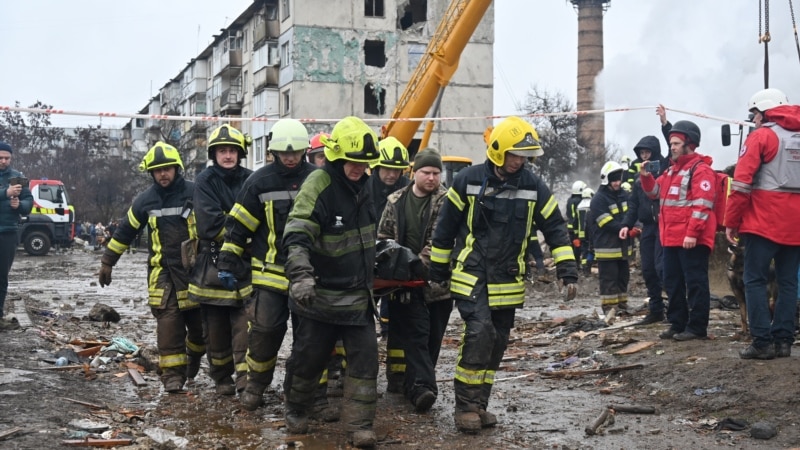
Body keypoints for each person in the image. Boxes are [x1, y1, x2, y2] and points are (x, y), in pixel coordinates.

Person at [429, 116, 578, 433]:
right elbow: (444, 230)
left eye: (525, 156)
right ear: (498, 151)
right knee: (480, 332)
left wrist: (568, 272)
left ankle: (480, 404)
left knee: (497, 340)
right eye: (515, 155)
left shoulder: (533, 185)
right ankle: (465, 407)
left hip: (508, 278)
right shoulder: (467, 180)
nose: (519, 161)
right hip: (473, 273)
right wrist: (438, 271)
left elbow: (555, 227)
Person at [281, 116, 381, 448]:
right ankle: (296, 407)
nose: (358, 167)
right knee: (309, 359)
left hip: (357, 296)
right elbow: (296, 235)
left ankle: (359, 426)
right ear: (337, 157)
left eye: (364, 162)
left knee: (366, 361)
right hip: (319, 295)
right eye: (353, 161)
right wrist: (301, 276)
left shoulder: (367, 187)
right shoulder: (318, 184)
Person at [215, 119, 318, 410]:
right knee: (264, 333)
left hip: (307, 276)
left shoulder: (317, 179)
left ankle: (303, 394)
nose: (289, 158)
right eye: (284, 153)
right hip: (270, 274)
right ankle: (255, 388)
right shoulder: (259, 181)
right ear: (272, 151)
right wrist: (227, 261)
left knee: (310, 338)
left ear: (304, 151)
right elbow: (239, 226)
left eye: (295, 152)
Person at [98, 142, 204, 392]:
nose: (163, 174)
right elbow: (125, 231)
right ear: (151, 173)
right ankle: (172, 377)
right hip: (162, 273)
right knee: (168, 325)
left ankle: (194, 355)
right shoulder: (145, 201)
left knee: (200, 329)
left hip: (194, 272)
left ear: (177, 168)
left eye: (167, 169)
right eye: (157, 170)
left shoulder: (196, 192)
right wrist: (107, 262)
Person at [726, 88, 800, 359]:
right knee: (788, 281)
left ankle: (761, 342)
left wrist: (731, 222)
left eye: (754, 114)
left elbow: (742, 184)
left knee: (754, 279)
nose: (753, 120)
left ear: (763, 112)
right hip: (796, 225)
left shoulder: (762, 137)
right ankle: (783, 342)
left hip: (763, 222)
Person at [377, 147, 452, 413]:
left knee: (431, 338)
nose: (432, 178)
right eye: (426, 172)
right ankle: (414, 386)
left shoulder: (447, 201)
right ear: (414, 172)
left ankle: (417, 383)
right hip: (403, 283)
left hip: (436, 285)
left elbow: (442, 239)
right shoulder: (395, 200)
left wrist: (418, 265)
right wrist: (394, 266)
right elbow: (384, 236)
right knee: (407, 335)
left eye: (436, 172)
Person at [187, 124, 254, 395]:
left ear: (240, 153)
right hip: (212, 265)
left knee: (245, 325)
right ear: (214, 154)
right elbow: (209, 225)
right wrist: (243, 231)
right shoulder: (205, 181)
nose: (228, 156)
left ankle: (244, 379)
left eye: (232, 151)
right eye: (222, 151)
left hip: (246, 265)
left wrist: (239, 227)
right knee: (215, 330)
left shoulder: (251, 179)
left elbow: (259, 217)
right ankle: (221, 378)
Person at [639, 120, 716, 341]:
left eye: (675, 143)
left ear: (689, 144)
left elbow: (702, 205)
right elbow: (654, 192)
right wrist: (646, 176)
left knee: (695, 283)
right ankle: (677, 323)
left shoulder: (700, 170)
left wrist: (692, 233)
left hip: (691, 240)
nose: (671, 147)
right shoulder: (672, 171)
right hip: (670, 239)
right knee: (672, 282)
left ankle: (697, 327)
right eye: (671, 143)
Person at [366, 136, 412, 342]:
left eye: (397, 169)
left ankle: (388, 332)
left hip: (398, 254)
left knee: (397, 306)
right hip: (367, 252)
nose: (392, 174)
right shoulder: (363, 188)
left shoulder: (409, 189)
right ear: (376, 167)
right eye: (387, 169)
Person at [620, 136, 668, 325]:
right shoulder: (637, 177)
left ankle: (676, 309)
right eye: (641, 153)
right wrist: (626, 224)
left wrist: (665, 124)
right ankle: (656, 310)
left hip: (663, 225)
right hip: (647, 227)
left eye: (647, 152)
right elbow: (633, 204)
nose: (644, 156)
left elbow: (675, 146)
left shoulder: (665, 169)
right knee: (648, 269)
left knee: (662, 268)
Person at [590, 161, 632, 313]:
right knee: (609, 279)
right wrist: (625, 228)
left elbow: (632, 213)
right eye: (614, 179)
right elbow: (605, 221)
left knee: (623, 277)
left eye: (619, 179)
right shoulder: (598, 199)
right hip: (607, 247)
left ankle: (622, 305)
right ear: (606, 180)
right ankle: (609, 308)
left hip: (623, 248)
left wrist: (634, 226)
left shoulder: (624, 195)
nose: (618, 182)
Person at [0, 141, 33, 331]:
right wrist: (6, 193)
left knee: (2, 276)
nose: (4, 161)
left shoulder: (17, 177)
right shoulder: (10, 185)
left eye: (7, 158)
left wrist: (20, 206)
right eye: (1, 158)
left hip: (8, 232)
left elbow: (29, 200)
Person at [566, 180, 586, 269]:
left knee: (573, 245)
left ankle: (572, 263)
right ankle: (576, 264)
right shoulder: (579, 201)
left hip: (570, 227)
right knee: (577, 245)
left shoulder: (570, 200)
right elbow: (577, 217)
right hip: (576, 227)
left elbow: (568, 214)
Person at [577, 187, 595, 275]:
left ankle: (584, 268)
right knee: (591, 250)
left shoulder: (579, 206)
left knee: (584, 250)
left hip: (581, 233)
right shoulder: (591, 206)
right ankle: (588, 268)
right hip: (591, 233)